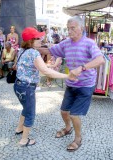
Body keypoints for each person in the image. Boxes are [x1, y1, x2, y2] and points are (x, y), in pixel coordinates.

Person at [38, 16, 105, 152]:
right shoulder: (66, 43)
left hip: (86, 85)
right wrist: (32, 47)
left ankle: (78, 138)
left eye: (72, 28)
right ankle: (68, 128)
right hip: (71, 83)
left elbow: (100, 60)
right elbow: (51, 50)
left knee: (74, 114)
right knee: (64, 111)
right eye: (68, 28)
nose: (69, 31)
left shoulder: (89, 43)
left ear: (81, 28)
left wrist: (82, 68)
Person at [13, 27, 77, 147]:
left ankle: (19, 128)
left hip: (18, 86)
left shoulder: (21, 50)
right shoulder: (34, 53)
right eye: (38, 38)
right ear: (31, 41)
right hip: (27, 88)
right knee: (30, 113)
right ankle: (24, 140)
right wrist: (67, 76)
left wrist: (47, 66)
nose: (41, 39)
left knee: (25, 108)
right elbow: (47, 72)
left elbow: (26, 66)